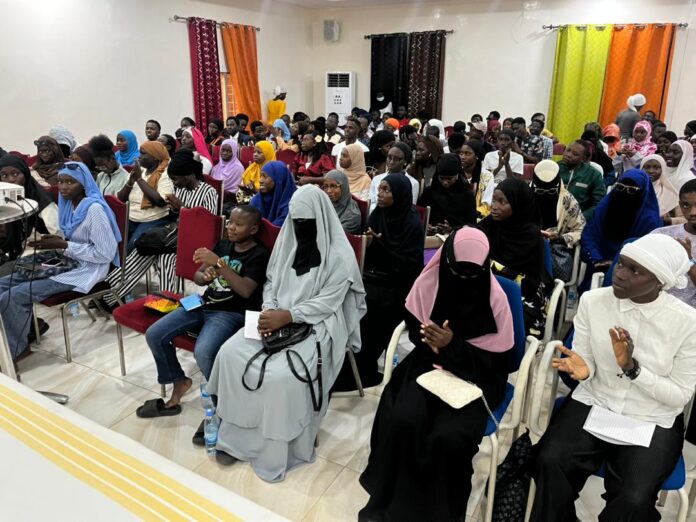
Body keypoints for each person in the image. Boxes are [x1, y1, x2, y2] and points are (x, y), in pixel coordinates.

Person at [529, 234, 696, 522]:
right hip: (598, 399)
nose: (620, 274)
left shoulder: (687, 323)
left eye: (635, 271)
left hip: (652, 416)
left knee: (634, 498)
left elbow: (679, 395)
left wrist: (633, 369)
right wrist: (586, 371)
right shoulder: (593, 302)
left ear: (660, 281)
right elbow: (585, 360)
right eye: (622, 264)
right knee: (549, 460)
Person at [205, 185, 366, 478]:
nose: (300, 227)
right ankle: (236, 436)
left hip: (317, 322)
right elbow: (270, 282)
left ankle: (278, 446)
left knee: (281, 376)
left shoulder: (339, 255)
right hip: (276, 315)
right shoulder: (287, 242)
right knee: (230, 354)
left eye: (306, 223)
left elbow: (329, 302)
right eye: (296, 221)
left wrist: (290, 315)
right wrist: (270, 310)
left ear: (320, 218)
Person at [359, 227, 514, 522]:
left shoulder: (496, 301)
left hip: (477, 378)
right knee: (402, 419)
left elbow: (497, 365)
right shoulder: (428, 283)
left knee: (448, 437)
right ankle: (390, 505)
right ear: (445, 262)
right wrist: (433, 343)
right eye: (456, 271)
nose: (464, 280)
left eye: (472, 274)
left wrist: (452, 345)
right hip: (427, 365)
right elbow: (416, 332)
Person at [136, 205, 269, 418]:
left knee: (204, 352)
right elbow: (198, 277)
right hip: (203, 303)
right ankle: (179, 380)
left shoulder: (259, 254)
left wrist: (218, 264)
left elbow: (245, 290)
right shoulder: (223, 245)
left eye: (238, 224)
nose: (231, 227)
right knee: (154, 334)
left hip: (230, 312)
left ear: (253, 229)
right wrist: (205, 276)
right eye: (230, 222)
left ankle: (223, 404)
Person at [0, 162, 120, 359]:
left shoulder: (94, 210)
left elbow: (105, 254)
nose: (63, 187)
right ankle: (14, 337)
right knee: (2, 285)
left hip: (87, 268)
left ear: (83, 184)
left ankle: (17, 350)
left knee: (14, 296)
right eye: (61, 181)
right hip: (66, 260)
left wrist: (65, 245)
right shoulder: (68, 205)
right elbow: (68, 240)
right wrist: (54, 244)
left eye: (70, 182)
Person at [334, 174, 423, 391]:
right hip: (372, 277)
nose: (380, 194)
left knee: (370, 311)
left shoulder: (411, 223)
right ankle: (339, 364)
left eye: (386, 190)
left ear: (399, 195)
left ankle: (362, 370)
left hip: (397, 286)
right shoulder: (377, 215)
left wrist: (379, 247)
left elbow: (409, 267)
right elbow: (367, 253)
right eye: (380, 189)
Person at [103, 149, 218, 308]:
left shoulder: (208, 192)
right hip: (176, 238)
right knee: (146, 249)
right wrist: (176, 210)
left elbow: (208, 226)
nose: (174, 184)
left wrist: (182, 208)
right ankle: (113, 291)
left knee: (164, 257)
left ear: (189, 175)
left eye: (176, 179)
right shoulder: (179, 189)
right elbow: (175, 218)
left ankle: (115, 292)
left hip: (196, 242)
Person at [477, 178, 548, 335]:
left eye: (502, 202)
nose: (494, 206)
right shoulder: (490, 224)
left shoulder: (531, 236)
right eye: (494, 200)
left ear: (517, 204)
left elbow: (531, 281)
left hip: (522, 292)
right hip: (487, 287)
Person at [581, 169, 662, 272]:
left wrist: (616, 264)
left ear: (642, 192)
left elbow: (646, 252)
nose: (624, 193)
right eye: (620, 187)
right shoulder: (606, 206)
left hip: (630, 269)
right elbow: (590, 235)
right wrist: (597, 259)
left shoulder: (650, 220)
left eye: (632, 190)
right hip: (598, 261)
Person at [531, 161, 586, 280]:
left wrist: (560, 238)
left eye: (551, 191)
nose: (545, 195)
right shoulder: (524, 197)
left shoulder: (567, 200)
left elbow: (580, 229)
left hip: (556, 247)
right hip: (527, 243)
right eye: (540, 191)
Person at [116, 141, 174, 254]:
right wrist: (130, 182)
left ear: (155, 157)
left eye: (143, 153)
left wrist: (139, 179)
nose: (139, 156)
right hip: (131, 217)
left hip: (153, 219)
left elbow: (160, 201)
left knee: (132, 247)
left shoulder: (165, 174)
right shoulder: (140, 171)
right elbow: (121, 198)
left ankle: (126, 266)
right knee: (113, 240)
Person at [0, 155, 59, 264]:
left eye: (15, 174)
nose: (11, 180)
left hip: (41, 253)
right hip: (18, 251)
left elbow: (59, 238)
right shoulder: (7, 199)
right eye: (4, 175)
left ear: (25, 174)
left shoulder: (43, 202)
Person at [652, 179, 696, 309]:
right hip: (658, 308)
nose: (693, 212)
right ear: (680, 205)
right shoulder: (661, 235)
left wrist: (689, 261)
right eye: (686, 205)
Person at [418, 153, 476, 231]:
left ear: (457, 176)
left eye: (449, 179)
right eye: (442, 178)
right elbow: (418, 216)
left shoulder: (467, 195)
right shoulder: (429, 192)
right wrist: (426, 225)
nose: (445, 182)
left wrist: (452, 229)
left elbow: (472, 225)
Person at [557, 140, 606, 218]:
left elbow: (599, 203)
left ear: (583, 159)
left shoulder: (594, 174)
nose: (568, 155)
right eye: (568, 150)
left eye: (575, 154)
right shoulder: (554, 168)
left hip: (580, 219)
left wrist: (580, 218)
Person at [370, 143, 419, 212]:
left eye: (396, 159)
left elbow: (410, 207)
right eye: (389, 157)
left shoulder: (412, 183)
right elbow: (371, 203)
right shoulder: (377, 179)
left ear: (405, 161)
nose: (391, 161)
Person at [250, 161, 296, 227]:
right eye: (260, 176)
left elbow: (277, 228)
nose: (260, 180)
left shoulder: (293, 203)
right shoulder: (257, 199)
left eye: (264, 176)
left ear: (278, 179)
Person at [460, 139, 495, 218]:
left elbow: (486, 204)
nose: (462, 157)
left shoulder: (487, 176)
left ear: (477, 156)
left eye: (467, 154)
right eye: (461, 153)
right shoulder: (456, 172)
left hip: (477, 215)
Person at [640, 155, 680, 225]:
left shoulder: (670, 193)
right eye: (647, 167)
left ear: (663, 170)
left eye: (656, 167)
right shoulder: (634, 190)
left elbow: (684, 219)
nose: (651, 171)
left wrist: (669, 220)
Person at [323, 170, 363, 234]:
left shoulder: (352, 215)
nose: (329, 191)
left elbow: (335, 235)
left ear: (343, 187)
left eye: (333, 186)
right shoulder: (326, 205)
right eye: (326, 186)